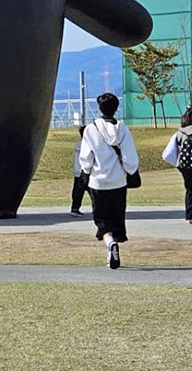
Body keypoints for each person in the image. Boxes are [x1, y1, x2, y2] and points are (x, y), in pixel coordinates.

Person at [79, 93, 139, 269]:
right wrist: (129, 171)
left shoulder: (91, 129)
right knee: (117, 217)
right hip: (119, 182)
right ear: (116, 108)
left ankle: (110, 243)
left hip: (98, 182)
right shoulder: (122, 128)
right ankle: (113, 246)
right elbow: (130, 157)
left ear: (99, 108)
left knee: (102, 220)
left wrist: (86, 171)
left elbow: (86, 157)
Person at [69, 125, 89, 217]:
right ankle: (75, 208)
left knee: (79, 191)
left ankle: (75, 208)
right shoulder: (83, 144)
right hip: (82, 171)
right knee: (79, 191)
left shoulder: (81, 143)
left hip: (81, 171)